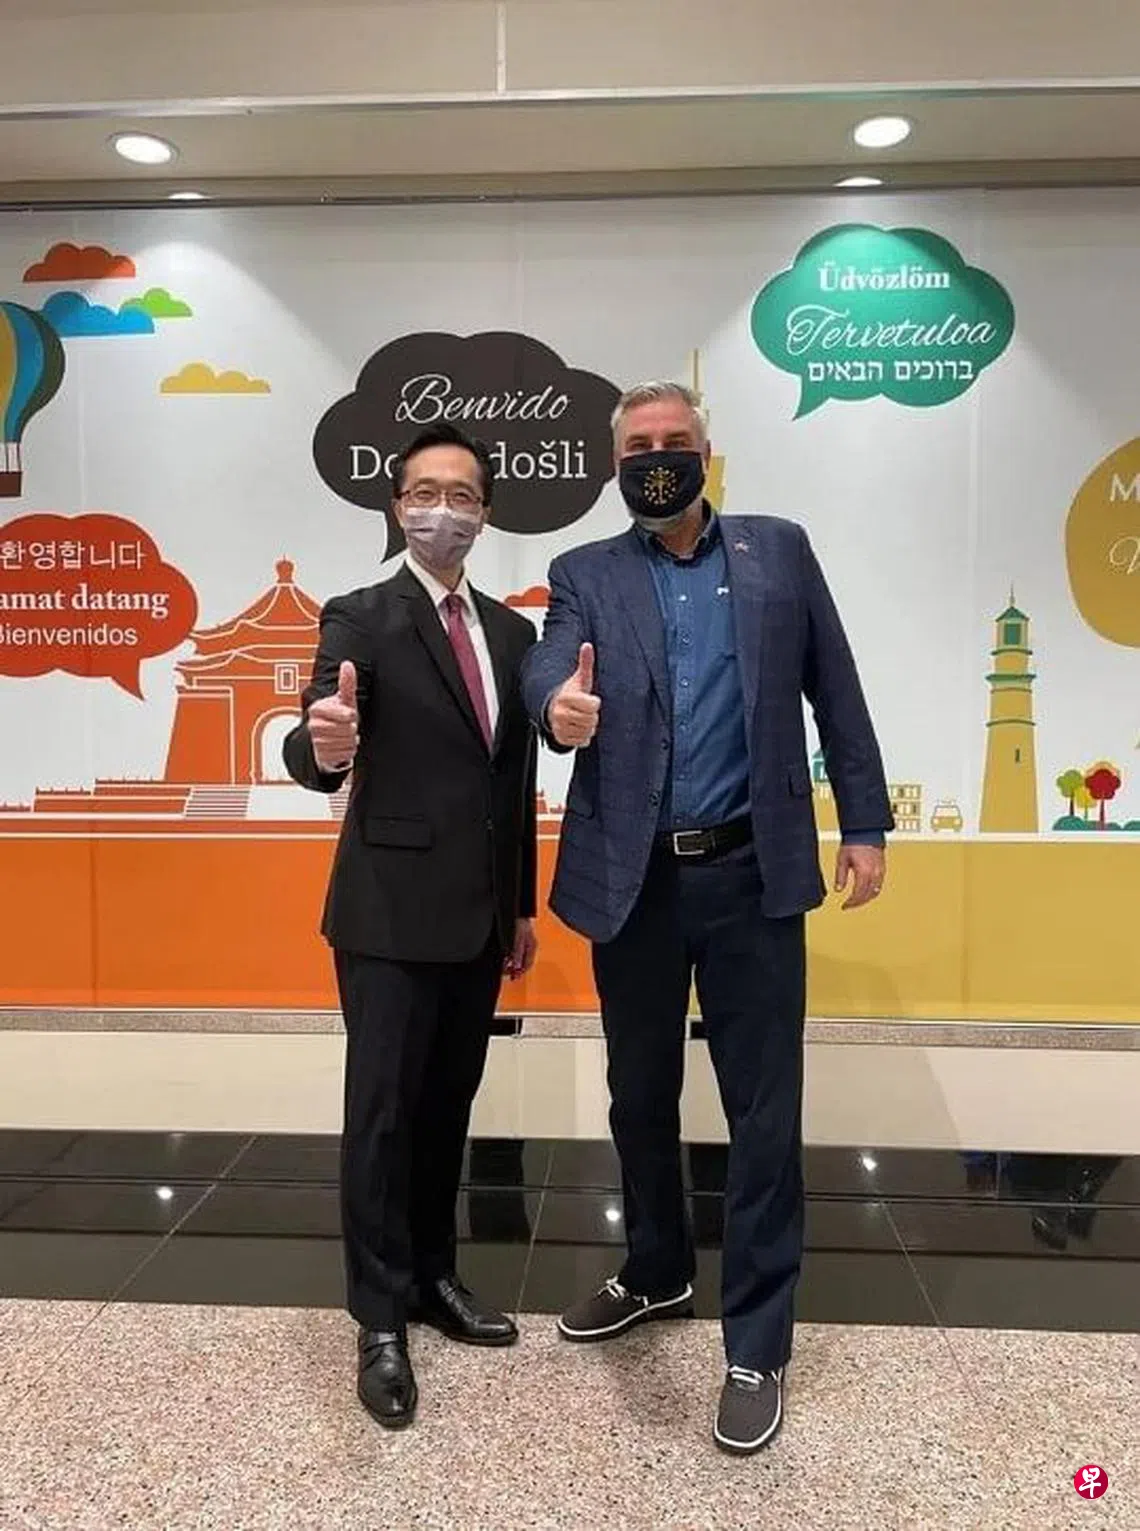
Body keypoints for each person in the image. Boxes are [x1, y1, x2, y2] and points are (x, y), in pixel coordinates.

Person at [521, 381, 892, 1456]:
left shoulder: (779, 552)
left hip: (751, 876)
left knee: (764, 1112)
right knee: (638, 1093)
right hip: (633, 882)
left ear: (706, 451)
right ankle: (656, 1268)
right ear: (615, 465)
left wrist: (864, 820)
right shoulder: (585, 572)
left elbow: (837, 687)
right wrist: (555, 706)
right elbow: (550, 659)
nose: (657, 457)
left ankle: (757, 1344)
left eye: (674, 441)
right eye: (638, 445)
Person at [284, 422, 539, 1431]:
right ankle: (379, 1318)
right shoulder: (361, 615)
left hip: (478, 919)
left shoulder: (511, 635)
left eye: (463, 495)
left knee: (447, 1110)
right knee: (383, 1118)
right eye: (426, 491)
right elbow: (321, 733)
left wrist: (520, 904)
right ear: (397, 506)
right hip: (387, 916)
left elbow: (512, 785)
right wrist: (324, 747)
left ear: (485, 514)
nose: (445, 509)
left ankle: (434, 1277)